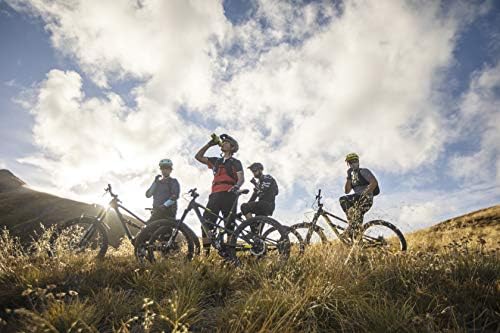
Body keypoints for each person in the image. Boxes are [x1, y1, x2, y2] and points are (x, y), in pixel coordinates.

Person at [195, 133, 244, 255]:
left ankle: (230, 253)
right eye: (224, 142)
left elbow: (241, 178)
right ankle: (206, 253)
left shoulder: (236, 162)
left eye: (227, 142)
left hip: (229, 194)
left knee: (229, 226)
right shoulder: (216, 161)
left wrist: (236, 187)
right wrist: (209, 144)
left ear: (232, 148)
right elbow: (198, 157)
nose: (223, 143)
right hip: (215, 195)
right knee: (206, 225)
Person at [339, 153, 379, 226]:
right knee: (355, 228)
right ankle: (355, 231)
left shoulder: (363, 171)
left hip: (366, 199)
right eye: (350, 162)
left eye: (354, 161)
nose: (352, 164)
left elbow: (374, 183)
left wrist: (364, 195)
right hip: (357, 201)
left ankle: (351, 225)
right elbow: (347, 191)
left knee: (343, 199)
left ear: (358, 162)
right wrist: (349, 177)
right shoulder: (352, 177)